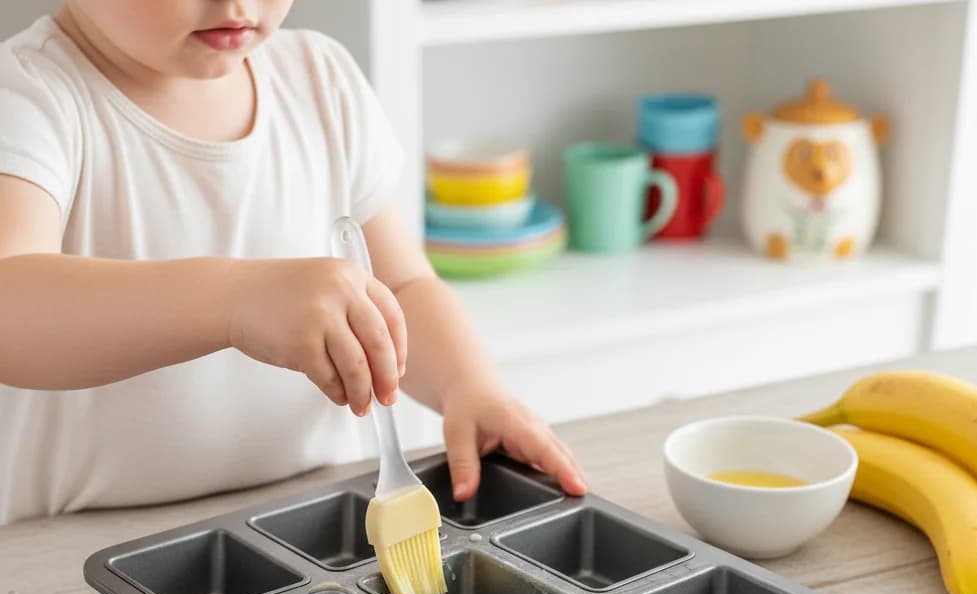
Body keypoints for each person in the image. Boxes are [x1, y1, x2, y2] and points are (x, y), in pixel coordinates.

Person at [0, 1, 588, 526]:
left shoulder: (319, 80)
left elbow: (401, 286)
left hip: (309, 519)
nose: (236, 4)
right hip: (79, 543)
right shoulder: (29, 93)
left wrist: (469, 386)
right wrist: (236, 298)